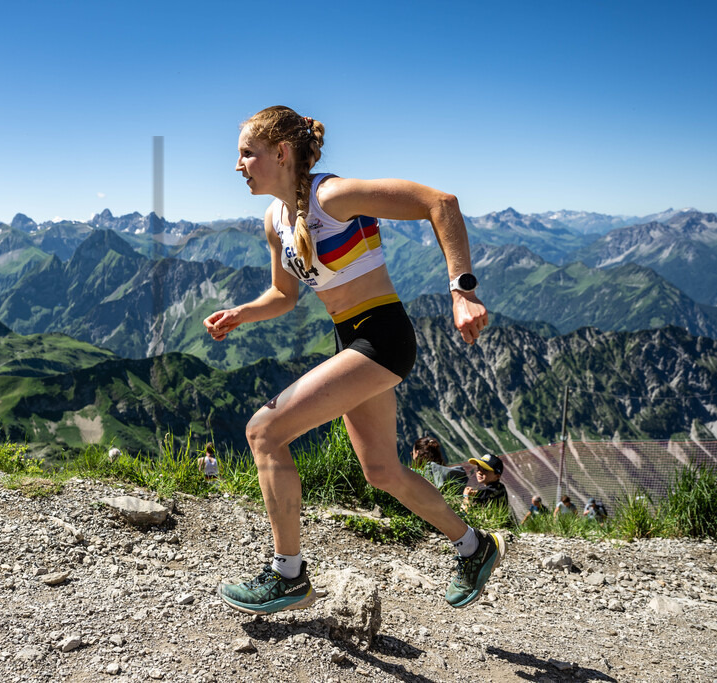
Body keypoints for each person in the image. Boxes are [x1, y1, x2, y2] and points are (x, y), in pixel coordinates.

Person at [205, 106, 503, 615]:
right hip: (353, 342)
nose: (238, 165)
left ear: (281, 153)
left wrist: (462, 291)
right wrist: (241, 313)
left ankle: (288, 575)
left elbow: (441, 203)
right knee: (382, 471)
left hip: (382, 338)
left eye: (247, 153)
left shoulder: (333, 196)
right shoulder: (275, 220)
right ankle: (475, 547)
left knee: (263, 431)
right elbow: (283, 295)